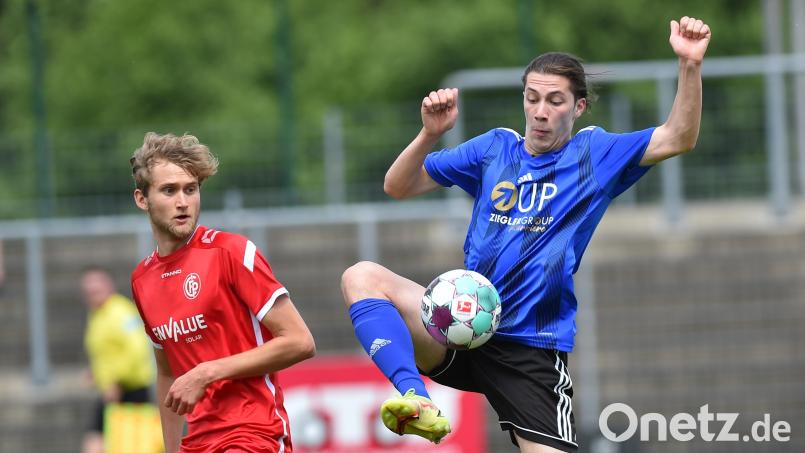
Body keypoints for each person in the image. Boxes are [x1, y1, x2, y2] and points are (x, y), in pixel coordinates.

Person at [340, 16, 711, 453]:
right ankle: (416, 398)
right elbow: (397, 185)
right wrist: (429, 134)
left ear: (578, 107)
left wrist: (689, 65)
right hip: (458, 325)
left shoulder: (594, 154)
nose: (540, 111)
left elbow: (679, 137)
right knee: (361, 277)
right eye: (532, 98)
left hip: (529, 350)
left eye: (555, 100)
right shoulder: (494, 148)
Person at [129, 132, 316, 453]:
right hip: (198, 442)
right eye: (169, 190)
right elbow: (168, 373)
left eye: (191, 189)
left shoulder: (231, 252)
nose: (183, 202)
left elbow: (300, 341)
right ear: (142, 199)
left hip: (253, 433)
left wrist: (207, 372)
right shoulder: (142, 280)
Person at [80, 267, 155, 453]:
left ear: (109, 286)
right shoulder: (98, 314)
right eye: (89, 291)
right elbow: (107, 351)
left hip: (129, 389)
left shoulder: (121, 313)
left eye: (96, 289)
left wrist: (117, 380)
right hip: (112, 390)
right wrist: (96, 373)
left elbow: (137, 349)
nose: (92, 294)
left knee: (128, 445)